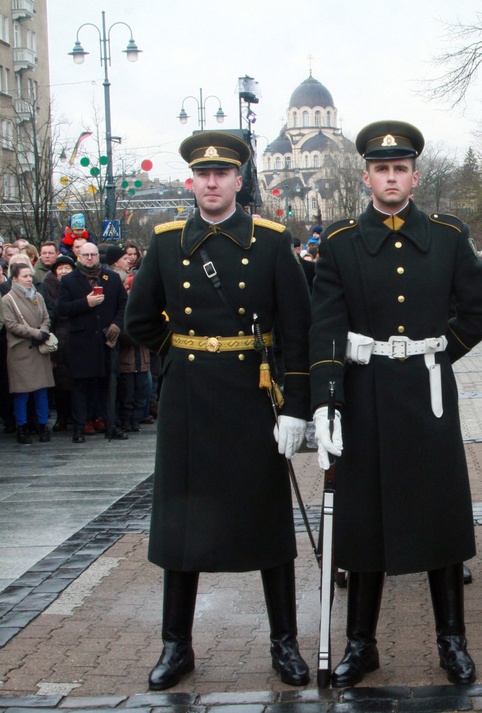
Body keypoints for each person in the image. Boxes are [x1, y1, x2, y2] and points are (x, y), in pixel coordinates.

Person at [310, 120, 482, 687]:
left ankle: (452, 643)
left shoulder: (446, 235)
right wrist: (327, 400)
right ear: (365, 175)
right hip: (364, 393)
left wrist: (440, 354)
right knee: (364, 523)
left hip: (427, 395)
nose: (390, 178)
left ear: (414, 177)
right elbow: (326, 325)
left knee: (439, 517)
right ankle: (361, 644)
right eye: (380, 169)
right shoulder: (341, 242)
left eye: (400, 169)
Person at [125, 131, 312, 690]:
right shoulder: (164, 242)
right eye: (202, 175)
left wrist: (296, 408)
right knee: (182, 524)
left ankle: (285, 644)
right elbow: (139, 320)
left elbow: (298, 333)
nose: (211, 182)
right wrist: (180, 356)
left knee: (267, 521)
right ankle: (175, 646)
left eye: (222, 174)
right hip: (188, 400)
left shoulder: (273, 242)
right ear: (193, 181)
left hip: (253, 398)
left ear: (238, 181)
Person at [59, 242, 128, 443]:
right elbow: (62, 308)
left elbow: (124, 305)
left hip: (107, 341)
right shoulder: (69, 280)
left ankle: (111, 425)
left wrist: (116, 325)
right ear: (79, 256)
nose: (90, 258)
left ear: (99, 256)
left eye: (93, 255)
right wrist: (85, 303)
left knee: (108, 385)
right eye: (86, 255)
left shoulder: (111, 278)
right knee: (81, 387)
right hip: (82, 342)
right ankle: (79, 428)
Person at [2, 263, 55, 444]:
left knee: (41, 391)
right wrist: (36, 333)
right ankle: (22, 428)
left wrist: (44, 330)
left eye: (30, 276)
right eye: (25, 276)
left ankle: (42, 426)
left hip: (39, 350)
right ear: (15, 278)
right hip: (22, 351)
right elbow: (11, 325)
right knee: (21, 392)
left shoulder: (38, 296)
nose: (29, 279)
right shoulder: (8, 300)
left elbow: (46, 317)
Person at [43, 255, 76, 431]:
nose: (63, 271)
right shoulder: (48, 288)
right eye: (60, 268)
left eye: (67, 268)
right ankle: (62, 417)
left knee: (75, 381)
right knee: (59, 382)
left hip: (75, 336)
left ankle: (75, 416)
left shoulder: (76, 285)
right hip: (57, 338)